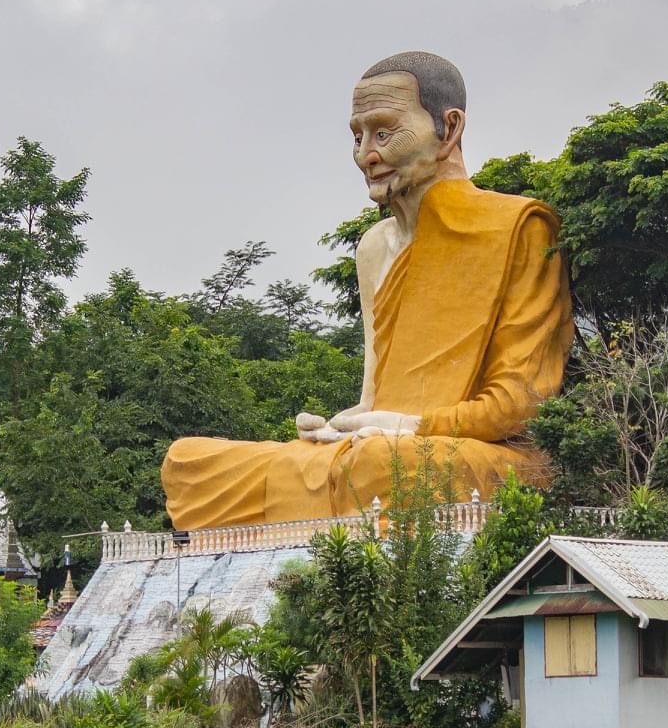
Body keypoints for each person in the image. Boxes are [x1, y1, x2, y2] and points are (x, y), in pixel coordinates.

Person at [160, 51, 571, 530]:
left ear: (450, 128)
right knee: (188, 461)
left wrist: (414, 427)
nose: (365, 155)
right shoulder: (375, 247)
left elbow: (520, 404)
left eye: (383, 132)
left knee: (380, 467)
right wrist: (338, 427)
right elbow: (374, 400)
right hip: (385, 444)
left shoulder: (520, 226)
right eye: (357, 137)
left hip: (481, 454)